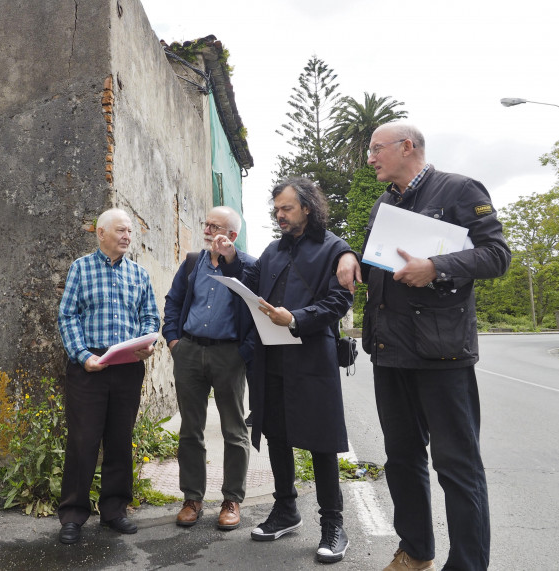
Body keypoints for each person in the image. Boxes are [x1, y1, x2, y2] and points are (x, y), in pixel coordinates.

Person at [336, 122, 511, 571]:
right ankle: (415, 552)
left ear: (406, 147)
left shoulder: (458, 190)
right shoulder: (385, 201)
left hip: (441, 355)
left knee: (457, 467)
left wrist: (436, 266)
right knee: (402, 460)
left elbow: (496, 255)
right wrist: (350, 255)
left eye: (376, 149)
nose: (370, 157)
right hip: (390, 353)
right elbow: (375, 252)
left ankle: (468, 564)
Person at [213, 177, 353, 565]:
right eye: (276, 210)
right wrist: (230, 259)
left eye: (286, 209)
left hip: (313, 358)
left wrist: (297, 318)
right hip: (272, 357)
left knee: (322, 443)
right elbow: (250, 284)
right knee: (276, 434)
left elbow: (339, 300)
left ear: (307, 207)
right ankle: (286, 510)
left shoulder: (333, 249)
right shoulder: (272, 251)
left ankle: (333, 525)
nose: (279, 216)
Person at [56, 208, 160, 545]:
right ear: (101, 234)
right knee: (83, 441)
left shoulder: (139, 274)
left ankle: (114, 511)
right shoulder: (81, 269)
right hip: (89, 369)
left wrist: (146, 343)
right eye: (120, 231)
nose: (127, 236)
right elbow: (67, 316)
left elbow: (149, 317)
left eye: (130, 231)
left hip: (127, 368)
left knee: (119, 440)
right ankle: (72, 515)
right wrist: (83, 356)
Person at [162, 206, 256, 531]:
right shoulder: (192, 262)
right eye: (206, 223)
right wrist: (174, 340)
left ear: (231, 235)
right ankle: (192, 498)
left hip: (228, 355)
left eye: (214, 225)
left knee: (234, 429)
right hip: (189, 351)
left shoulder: (247, 266)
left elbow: (258, 308)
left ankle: (232, 500)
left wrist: (244, 353)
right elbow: (173, 301)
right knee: (190, 429)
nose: (206, 229)